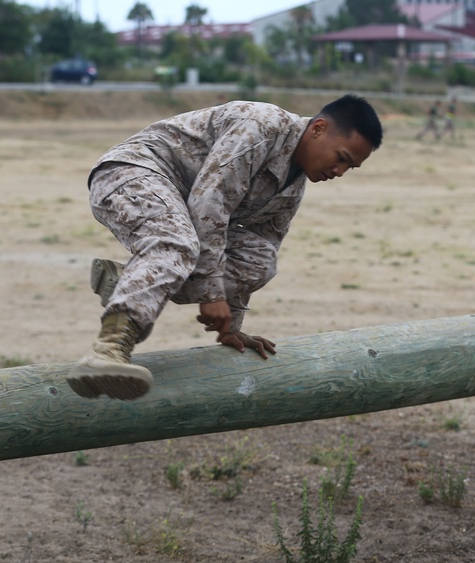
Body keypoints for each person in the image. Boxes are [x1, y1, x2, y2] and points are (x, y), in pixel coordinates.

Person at [67, 95, 384, 400]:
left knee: (261, 260)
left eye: (350, 168)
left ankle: (129, 281)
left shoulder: (291, 188)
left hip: (183, 207)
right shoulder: (261, 125)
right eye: (341, 158)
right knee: (176, 243)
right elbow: (210, 202)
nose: (339, 172)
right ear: (318, 129)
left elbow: (259, 248)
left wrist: (232, 325)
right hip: (134, 173)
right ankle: (107, 350)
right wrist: (211, 293)